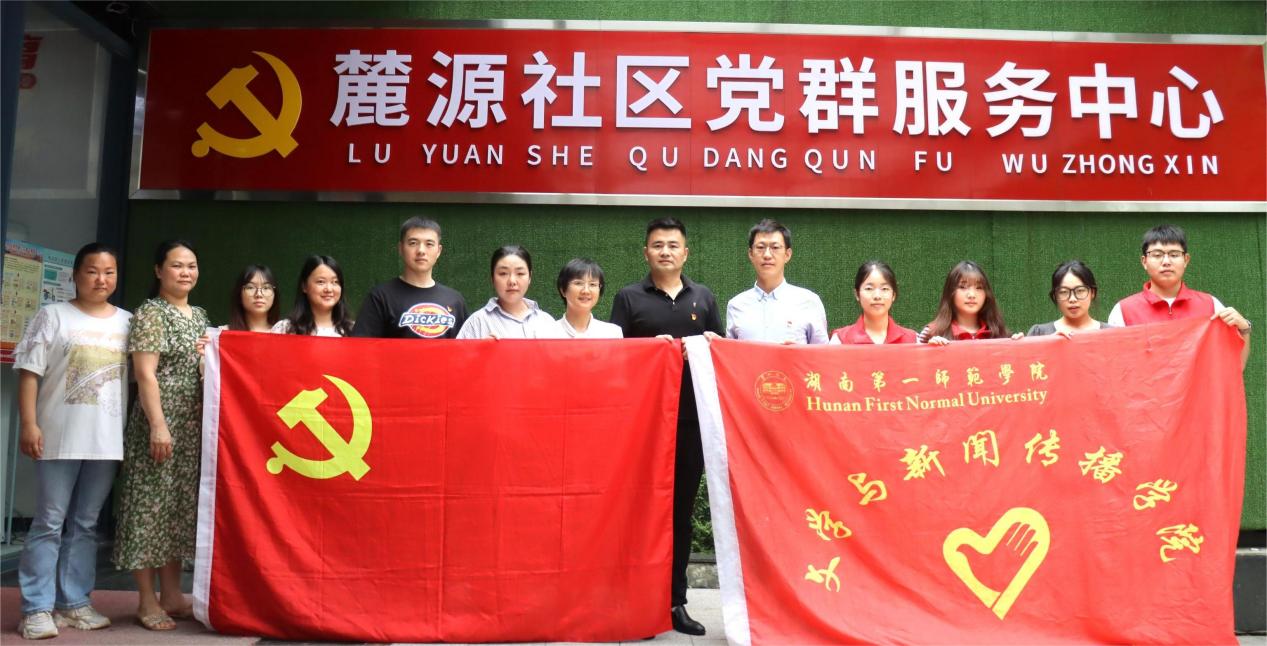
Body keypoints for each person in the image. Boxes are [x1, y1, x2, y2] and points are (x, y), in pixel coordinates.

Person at [609, 217, 723, 636]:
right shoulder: (628, 298)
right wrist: (649, 353)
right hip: (643, 423)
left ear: (685, 253)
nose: (665, 252)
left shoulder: (704, 297)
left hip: (691, 420)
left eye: (673, 245)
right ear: (646, 252)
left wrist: (707, 348)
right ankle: (640, 602)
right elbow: (616, 358)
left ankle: (676, 601)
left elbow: (721, 353)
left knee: (679, 513)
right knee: (641, 511)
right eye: (657, 245)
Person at [13, 244, 131, 640]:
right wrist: (29, 424)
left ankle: (74, 602)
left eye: (109, 272)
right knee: (49, 523)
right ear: (75, 275)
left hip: (106, 442)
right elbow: (29, 373)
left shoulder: (128, 322)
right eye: (93, 271)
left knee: (85, 524)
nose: (101, 279)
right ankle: (36, 609)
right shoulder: (52, 316)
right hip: (57, 438)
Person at [114, 240, 210, 631]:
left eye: (191, 265)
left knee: (176, 510)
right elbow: (145, 374)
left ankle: (172, 595)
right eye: (176, 265)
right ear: (158, 271)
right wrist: (158, 424)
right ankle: (146, 599)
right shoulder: (151, 313)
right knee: (148, 508)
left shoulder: (200, 315)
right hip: (159, 423)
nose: (186, 272)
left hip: (190, 426)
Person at [1108, 224, 1251, 366]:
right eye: (1157, 255)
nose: (1166, 262)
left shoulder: (1211, 305)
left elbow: (1234, 367)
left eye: (1174, 255)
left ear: (1186, 260)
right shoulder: (1123, 311)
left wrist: (1244, 329)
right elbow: (1115, 369)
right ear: (1144, 261)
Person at [352, 217, 468, 339]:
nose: (421, 250)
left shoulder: (455, 300)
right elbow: (361, 346)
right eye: (413, 243)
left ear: (438, 251)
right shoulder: (380, 297)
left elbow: (467, 347)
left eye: (429, 244)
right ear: (401, 248)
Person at [725, 219, 828, 344]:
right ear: (751, 254)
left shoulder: (809, 302)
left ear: (787, 254)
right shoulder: (736, 305)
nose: (767, 255)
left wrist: (800, 352)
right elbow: (729, 354)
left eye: (775, 247)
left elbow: (822, 353)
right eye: (760, 247)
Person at [456, 245, 558, 339]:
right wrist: (479, 350)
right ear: (492, 278)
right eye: (503, 273)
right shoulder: (477, 323)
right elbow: (457, 353)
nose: (512, 281)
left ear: (530, 277)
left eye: (520, 273)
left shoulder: (546, 322)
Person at [918, 260, 1009, 345]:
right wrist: (930, 351)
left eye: (979, 287)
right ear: (950, 292)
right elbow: (916, 356)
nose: (972, 295)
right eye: (963, 287)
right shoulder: (931, 333)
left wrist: (1016, 344)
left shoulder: (999, 332)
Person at [829, 260, 918, 344]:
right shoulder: (840, 340)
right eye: (869, 289)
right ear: (857, 294)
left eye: (884, 289)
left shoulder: (913, 340)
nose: (877, 296)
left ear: (893, 295)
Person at [271, 255, 354, 337]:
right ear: (304, 286)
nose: (329, 289)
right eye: (321, 282)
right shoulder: (285, 329)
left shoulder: (353, 330)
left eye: (335, 282)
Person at [1027, 260, 1112, 337]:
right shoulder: (1039, 333)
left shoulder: (1112, 333)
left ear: (1092, 293)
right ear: (1055, 296)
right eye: (1064, 292)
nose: (1072, 299)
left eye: (1080, 291)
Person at [553, 258, 623, 338]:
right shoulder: (547, 333)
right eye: (578, 283)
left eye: (592, 284)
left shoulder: (612, 333)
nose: (586, 291)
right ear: (563, 290)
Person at [223, 264, 279, 332]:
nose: (259, 294)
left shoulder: (282, 334)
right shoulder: (222, 334)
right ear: (239, 294)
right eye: (250, 287)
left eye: (266, 288)